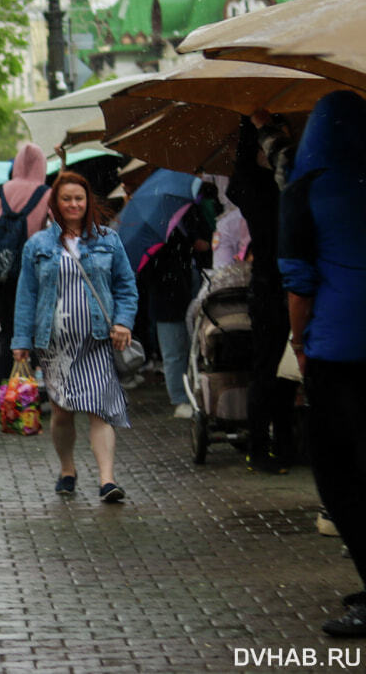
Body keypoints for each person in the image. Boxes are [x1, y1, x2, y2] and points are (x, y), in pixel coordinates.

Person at [278, 90, 366, 638]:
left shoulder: (305, 190)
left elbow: (299, 283)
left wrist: (299, 343)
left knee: (343, 478)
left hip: (339, 353)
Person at [13, 172, 137, 503]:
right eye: (66, 199)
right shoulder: (37, 245)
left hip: (97, 340)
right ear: (55, 204)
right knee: (63, 412)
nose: (73, 204)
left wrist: (123, 322)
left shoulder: (108, 240)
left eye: (79, 199)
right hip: (54, 346)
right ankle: (68, 469)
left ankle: (107, 480)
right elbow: (26, 295)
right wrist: (20, 342)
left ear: (88, 202)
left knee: (100, 408)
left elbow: (126, 285)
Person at [229, 113, 299, 473]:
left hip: (281, 286)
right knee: (270, 370)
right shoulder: (262, 186)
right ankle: (262, 447)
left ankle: (281, 445)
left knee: (283, 372)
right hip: (272, 287)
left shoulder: (269, 184)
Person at [0, 144, 51, 383]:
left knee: (8, 330)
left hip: (3, 273)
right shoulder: (45, 193)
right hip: (34, 270)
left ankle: (4, 384)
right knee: (34, 328)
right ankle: (34, 386)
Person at [143, 203, 212, 418]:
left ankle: (193, 394)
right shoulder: (155, 228)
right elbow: (150, 268)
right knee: (174, 350)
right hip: (167, 296)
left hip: (189, 288)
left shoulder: (188, 217)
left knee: (191, 347)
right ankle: (179, 398)